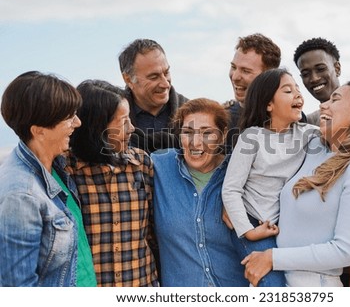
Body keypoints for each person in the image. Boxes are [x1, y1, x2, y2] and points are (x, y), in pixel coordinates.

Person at [241, 81, 350, 287]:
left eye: (335, 99)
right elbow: (261, 154)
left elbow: (346, 251)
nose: (322, 105)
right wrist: (234, 202)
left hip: (315, 283)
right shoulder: (313, 147)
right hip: (276, 279)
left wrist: (273, 258)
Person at [222, 68, 319, 286]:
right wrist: (249, 231)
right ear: (268, 105)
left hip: (281, 226)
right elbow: (231, 189)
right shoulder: (251, 138)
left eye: (297, 90)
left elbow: (340, 142)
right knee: (271, 284)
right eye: (287, 91)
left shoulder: (309, 134)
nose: (298, 95)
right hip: (252, 220)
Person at [0, 71, 96, 287]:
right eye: (69, 117)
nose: (78, 123)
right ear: (39, 131)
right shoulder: (21, 195)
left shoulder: (56, 167)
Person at [66, 80, 158, 287]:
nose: (132, 129)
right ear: (97, 126)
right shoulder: (66, 170)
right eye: (123, 122)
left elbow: (153, 233)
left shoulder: (141, 164)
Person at [152, 98, 247, 287]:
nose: (196, 143)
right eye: (188, 132)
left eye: (207, 133)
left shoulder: (240, 174)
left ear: (222, 135)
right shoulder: (159, 167)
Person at [118, 38, 189, 153]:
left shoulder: (191, 112)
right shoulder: (110, 117)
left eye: (166, 73)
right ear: (128, 79)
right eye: (154, 77)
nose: (165, 83)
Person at [226, 33, 288, 148]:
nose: (235, 77)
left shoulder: (291, 117)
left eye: (245, 71)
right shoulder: (223, 120)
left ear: (268, 77)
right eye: (233, 67)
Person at [293, 37, 341, 126]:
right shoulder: (308, 123)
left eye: (320, 69)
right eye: (306, 74)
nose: (314, 79)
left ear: (337, 69)